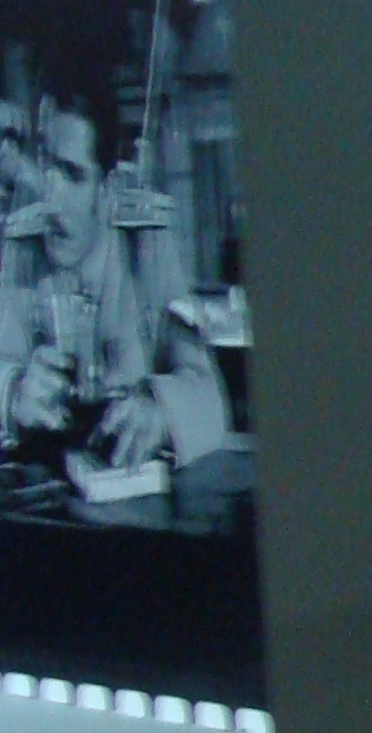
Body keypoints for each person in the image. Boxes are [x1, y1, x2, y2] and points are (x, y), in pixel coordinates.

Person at [0, 100, 229, 473]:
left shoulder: (147, 247)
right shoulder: (22, 249)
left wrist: (160, 412)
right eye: (46, 169)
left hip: (131, 492)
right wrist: (12, 394)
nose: (51, 203)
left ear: (106, 189)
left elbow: (209, 397)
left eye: (73, 175)